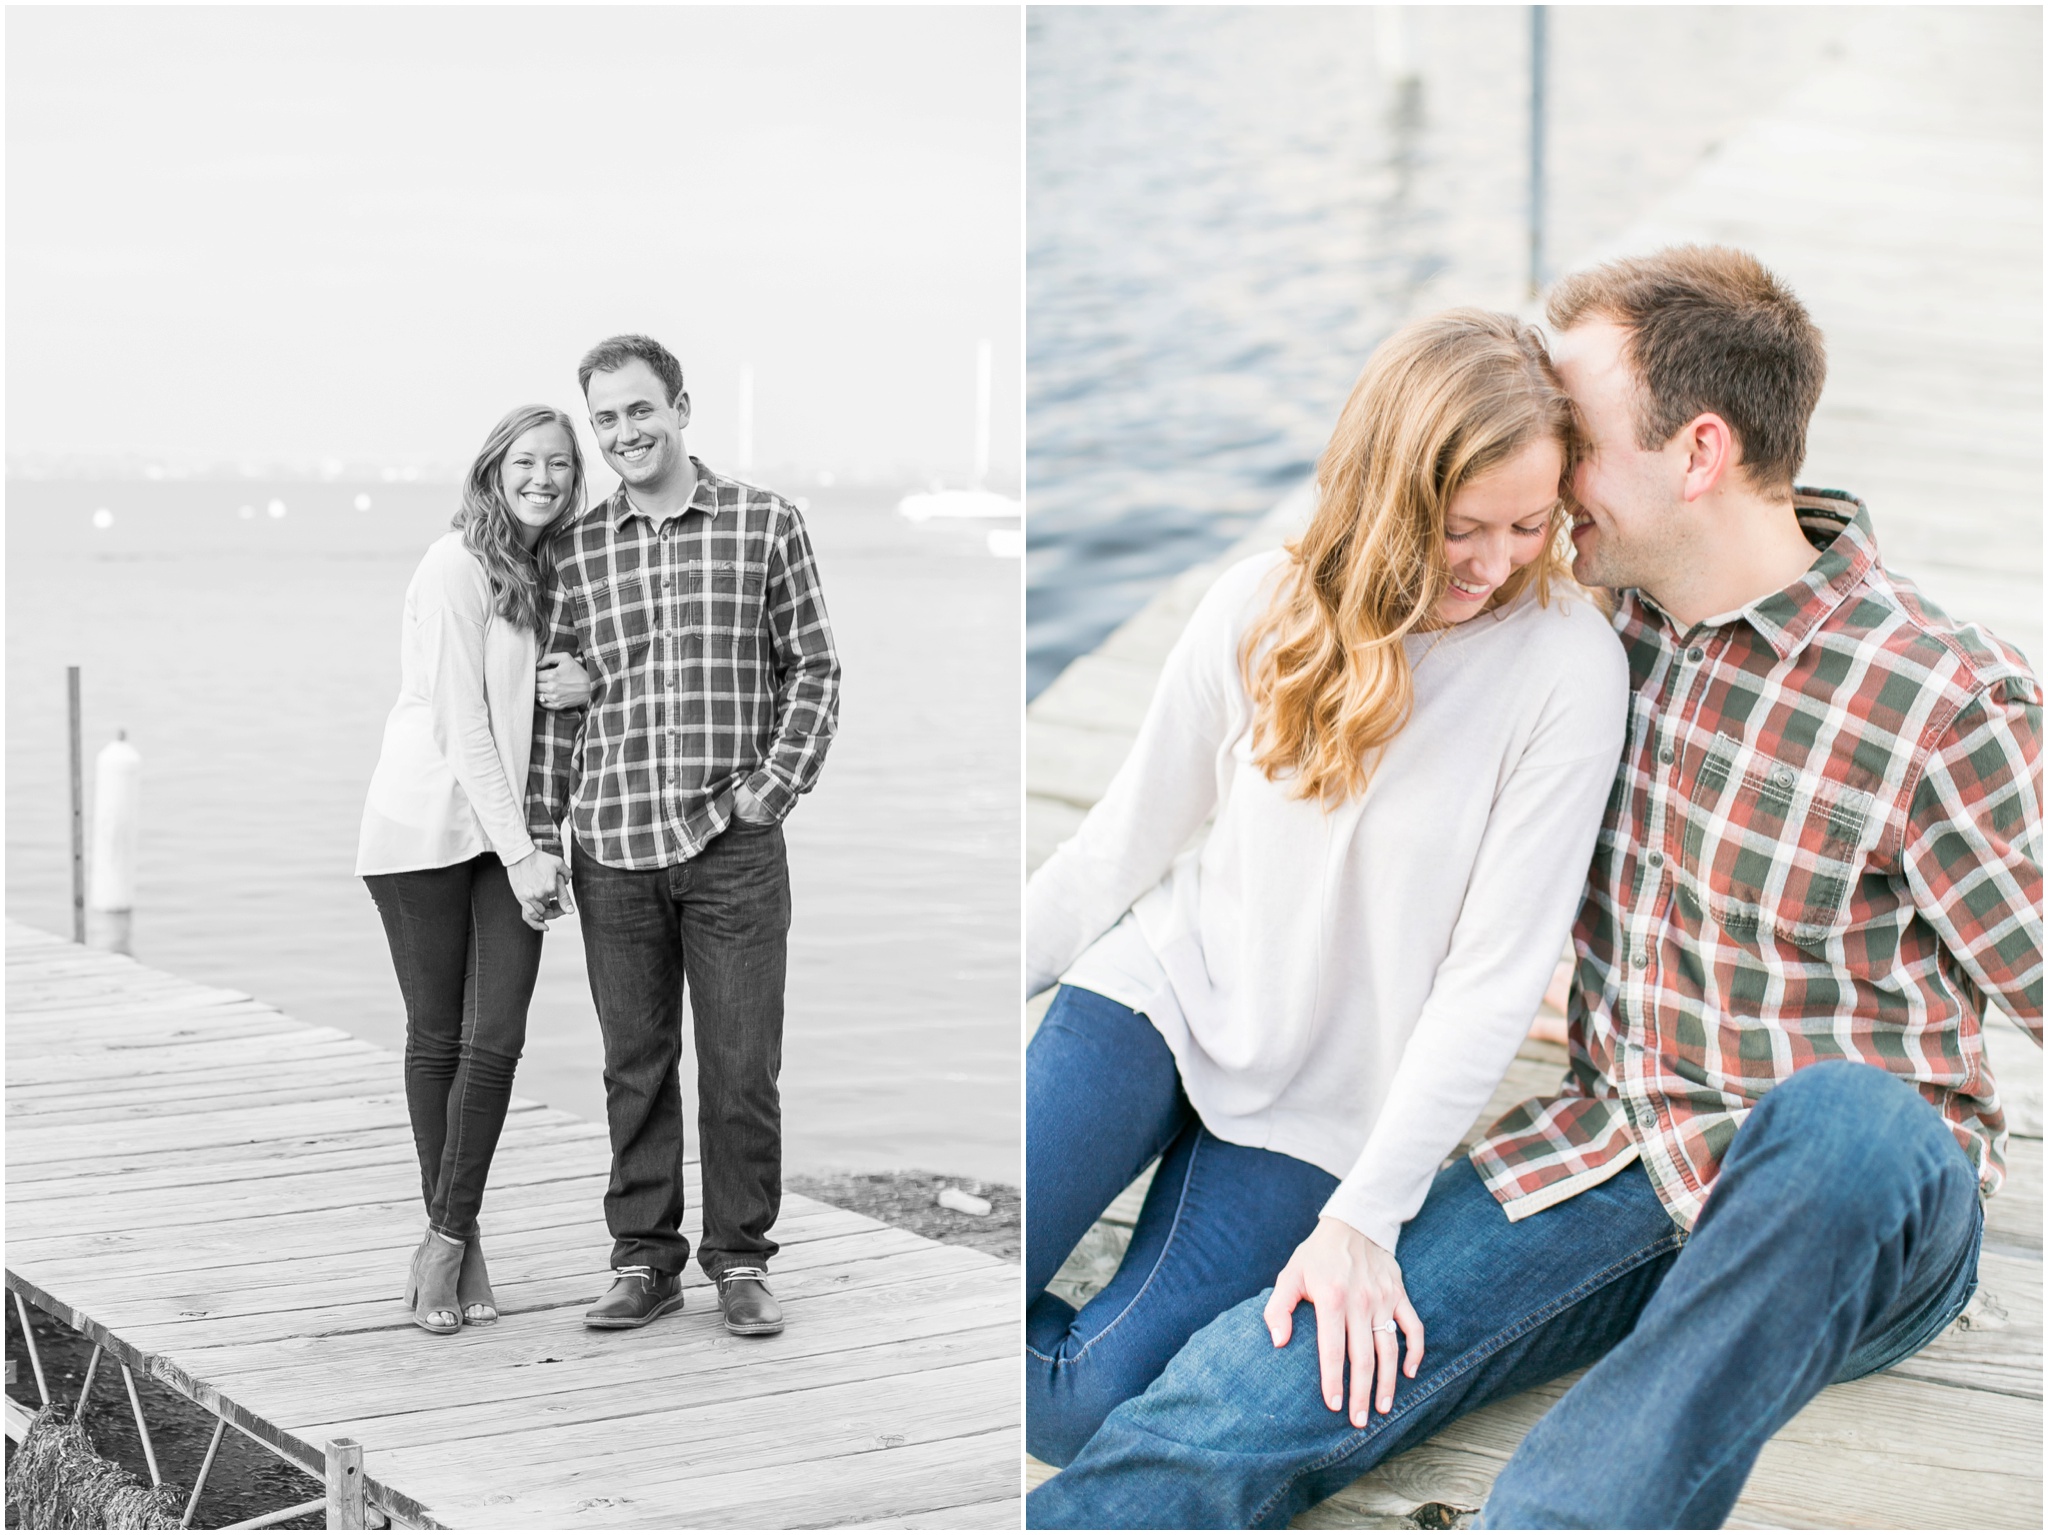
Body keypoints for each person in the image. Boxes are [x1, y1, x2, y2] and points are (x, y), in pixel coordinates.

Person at [1028, 245, 2043, 1529]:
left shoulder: (1939, 699)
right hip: (1603, 1159)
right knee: (1238, 1385)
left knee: (1844, 1116)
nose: (1548, 486)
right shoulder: (1589, 630)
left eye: (1577, 440)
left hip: (1845, 1197)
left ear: (1697, 454)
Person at [1024, 309, 1631, 1464]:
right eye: (1460, 527)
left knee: (1078, 1409)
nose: (1495, 563)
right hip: (1158, 991)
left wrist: (1367, 1212)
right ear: (1388, 490)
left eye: (1528, 524)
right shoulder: (1259, 605)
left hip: (1326, 1099)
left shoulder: (1564, 665)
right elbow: (1115, 847)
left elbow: (1490, 982)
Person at [526, 333, 841, 1335]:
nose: (623, 432)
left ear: (680, 407)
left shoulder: (763, 521)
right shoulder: (576, 550)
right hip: (611, 844)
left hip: (731, 845)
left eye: (638, 410)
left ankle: (740, 1258)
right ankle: (642, 1258)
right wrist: (539, 836)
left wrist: (771, 790)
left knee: (742, 1064)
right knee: (636, 1065)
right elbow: (557, 710)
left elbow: (815, 669)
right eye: (605, 418)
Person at [358, 404, 584, 1335]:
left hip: (509, 833)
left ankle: (445, 1235)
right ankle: (459, 1239)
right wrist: (527, 850)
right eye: (527, 462)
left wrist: (589, 682)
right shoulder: (454, 564)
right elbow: (463, 722)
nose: (544, 478)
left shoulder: (550, 571)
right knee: (439, 1038)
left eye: (562, 467)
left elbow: (553, 698)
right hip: (424, 830)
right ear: (493, 470)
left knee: (497, 1040)